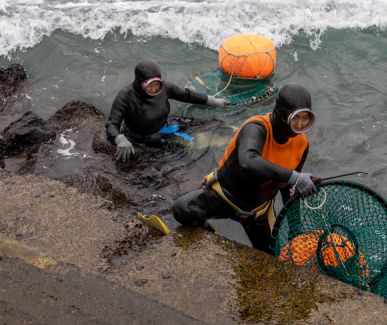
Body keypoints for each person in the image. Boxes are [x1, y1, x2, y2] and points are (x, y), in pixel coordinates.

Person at [172, 83, 317, 252]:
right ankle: (209, 234)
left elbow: (289, 188)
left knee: (271, 254)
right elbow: (248, 161)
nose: (300, 125)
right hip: (225, 197)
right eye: (296, 118)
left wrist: (295, 229)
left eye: (305, 119)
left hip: (258, 212)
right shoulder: (256, 127)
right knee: (182, 209)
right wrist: (294, 177)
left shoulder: (302, 144)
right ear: (281, 112)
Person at [106, 59, 227, 161]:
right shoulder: (125, 96)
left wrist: (211, 100)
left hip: (168, 124)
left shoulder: (165, 87)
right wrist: (119, 139)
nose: (154, 89)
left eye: (157, 84)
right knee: (187, 152)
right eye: (150, 85)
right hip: (145, 138)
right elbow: (112, 124)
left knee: (215, 124)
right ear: (140, 82)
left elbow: (186, 95)